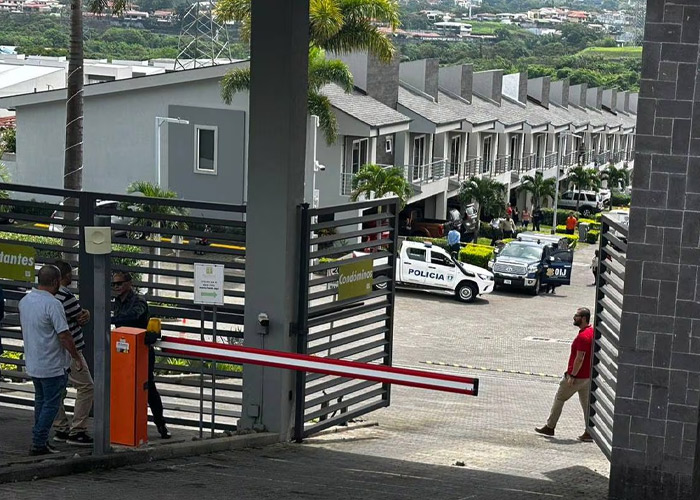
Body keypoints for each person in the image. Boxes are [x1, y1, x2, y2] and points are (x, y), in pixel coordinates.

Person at [20, 265, 83, 455]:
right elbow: (64, 335)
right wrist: (76, 356)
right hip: (53, 364)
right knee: (51, 404)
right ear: (55, 282)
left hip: (34, 362)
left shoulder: (25, 301)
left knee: (40, 401)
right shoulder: (53, 304)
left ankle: (39, 440)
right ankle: (39, 442)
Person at [111, 272, 171, 439]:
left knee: (148, 387)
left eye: (119, 283)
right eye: (113, 284)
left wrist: (113, 319)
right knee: (124, 386)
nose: (116, 287)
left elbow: (134, 316)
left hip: (142, 350)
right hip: (124, 350)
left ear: (129, 283)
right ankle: (126, 425)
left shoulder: (138, 300)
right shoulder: (117, 301)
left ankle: (161, 424)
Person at [535, 307, 595, 442]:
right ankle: (589, 431)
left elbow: (580, 358)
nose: (574, 317)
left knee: (559, 398)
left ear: (584, 318)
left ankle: (550, 427)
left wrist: (572, 375)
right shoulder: (591, 332)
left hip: (577, 378)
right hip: (587, 377)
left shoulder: (583, 337)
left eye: (577, 316)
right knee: (586, 405)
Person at [52, 260, 94, 447]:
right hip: (71, 349)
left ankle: (60, 427)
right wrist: (86, 313)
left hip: (53, 351)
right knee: (86, 387)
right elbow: (80, 317)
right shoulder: (66, 296)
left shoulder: (45, 296)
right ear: (65, 276)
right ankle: (78, 430)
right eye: (70, 273)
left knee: (57, 390)